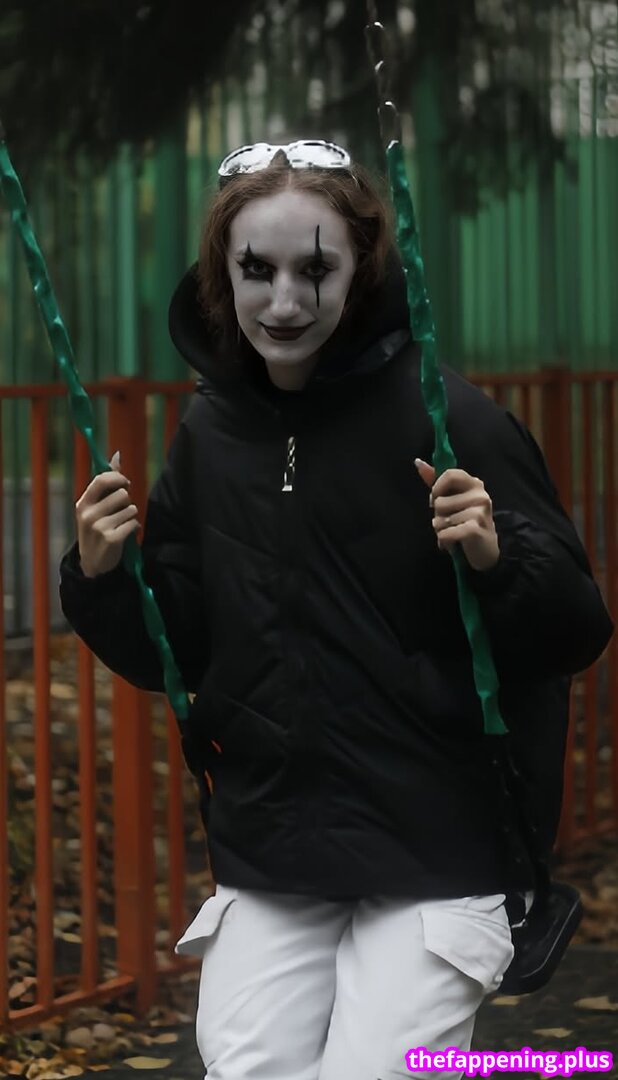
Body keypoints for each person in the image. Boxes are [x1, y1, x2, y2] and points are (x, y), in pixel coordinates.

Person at [59, 140, 613, 1080]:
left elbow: (576, 630)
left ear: (360, 272)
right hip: (276, 841)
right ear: (223, 275)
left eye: (314, 271)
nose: (284, 302)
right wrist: (106, 575)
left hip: (437, 841)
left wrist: (496, 555)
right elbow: (177, 651)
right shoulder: (211, 432)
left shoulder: (451, 419)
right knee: (248, 1067)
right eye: (257, 271)